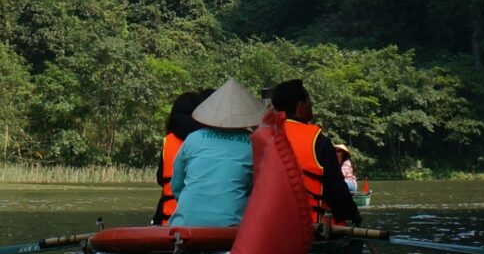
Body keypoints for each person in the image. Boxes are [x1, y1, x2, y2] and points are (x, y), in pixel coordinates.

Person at [166, 79, 266, 227]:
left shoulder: (193, 138)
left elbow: (176, 184)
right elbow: (260, 191)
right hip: (230, 226)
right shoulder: (254, 144)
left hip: (184, 224)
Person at [266, 79, 362, 225]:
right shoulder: (318, 141)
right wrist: (354, 215)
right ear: (300, 106)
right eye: (308, 101)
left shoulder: (263, 137)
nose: (311, 105)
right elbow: (336, 191)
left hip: (273, 225)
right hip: (312, 227)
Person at [152, 88, 211, 225]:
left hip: (167, 220)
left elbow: (161, 178)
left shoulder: (168, 140)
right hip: (198, 222)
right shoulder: (206, 140)